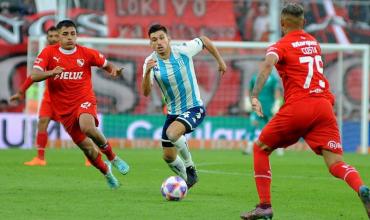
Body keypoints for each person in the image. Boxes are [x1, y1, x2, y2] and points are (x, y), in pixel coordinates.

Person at [240, 3, 369, 219]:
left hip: (299, 106)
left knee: (260, 149)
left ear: (282, 23)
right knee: (336, 163)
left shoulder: (278, 46)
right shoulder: (314, 43)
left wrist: (254, 95)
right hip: (324, 105)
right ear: (304, 23)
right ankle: (361, 188)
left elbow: (266, 66)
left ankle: (264, 207)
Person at [31, 20, 129, 189]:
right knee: (88, 150)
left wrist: (113, 71)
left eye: (73, 34)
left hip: (84, 100)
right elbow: (34, 75)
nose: (70, 37)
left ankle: (113, 157)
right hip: (64, 110)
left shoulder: (86, 53)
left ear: (76, 35)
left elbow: (106, 65)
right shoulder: (48, 53)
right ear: (59, 37)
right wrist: (51, 72)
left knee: (88, 127)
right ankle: (107, 172)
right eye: (65, 34)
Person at [142, 24, 226, 188]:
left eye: (161, 38)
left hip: (194, 107)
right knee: (168, 156)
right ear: (150, 43)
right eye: (154, 40)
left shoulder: (183, 51)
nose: (159, 42)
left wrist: (220, 61)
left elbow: (205, 40)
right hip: (173, 113)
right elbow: (145, 92)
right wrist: (146, 73)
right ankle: (185, 182)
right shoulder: (150, 62)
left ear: (168, 39)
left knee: (172, 133)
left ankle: (190, 167)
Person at [10, 26, 91, 166]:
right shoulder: (47, 53)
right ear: (47, 38)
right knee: (42, 122)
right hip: (50, 97)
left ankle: (90, 157)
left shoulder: (74, 52)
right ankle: (40, 158)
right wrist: (21, 92)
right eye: (51, 36)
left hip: (71, 98)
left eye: (55, 36)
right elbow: (33, 76)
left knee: (80, 127)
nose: (53, 38)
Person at [243, 67, 283, 156]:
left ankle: (279, 148)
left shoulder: (273, 78)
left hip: (269, 107)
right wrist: (247, 100)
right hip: (257, 106)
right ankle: (249, 148)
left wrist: (276, 103)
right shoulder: (255, 78)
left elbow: (277, 91)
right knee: (253, 126)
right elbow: (249, 90)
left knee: (273, 129)